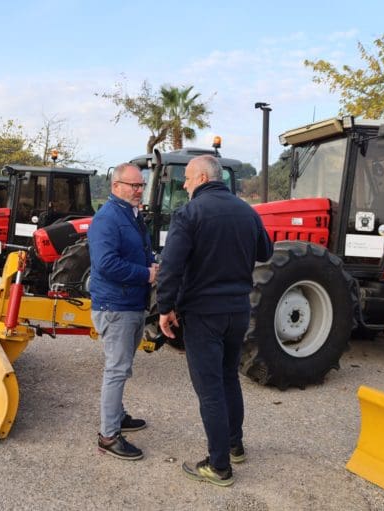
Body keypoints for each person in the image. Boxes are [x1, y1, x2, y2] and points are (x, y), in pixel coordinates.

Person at [157, 154, 273, 486]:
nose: (185, 184)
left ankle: (219, 465)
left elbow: (171, 265)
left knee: (209, 389)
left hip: (203, 313)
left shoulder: (189, 214)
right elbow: (265, 251)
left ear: (204, 179)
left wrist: (165, 308)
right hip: (237, 310)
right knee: (228, 378)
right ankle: (234, 445)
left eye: (189, 179)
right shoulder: (247, 212)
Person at [88, 162, 158, 461]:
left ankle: (117, 417)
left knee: (123, 366)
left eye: (141, 185)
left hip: (130, 304)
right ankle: (108, 436)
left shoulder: (131, 215)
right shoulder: (107, 219)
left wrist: (153, 262)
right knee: (116, 370)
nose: (139, 190)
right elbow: (106, 264)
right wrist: (147, 274)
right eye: (133, 185)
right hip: (115, 306)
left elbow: (140, 250)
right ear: (116, 186)